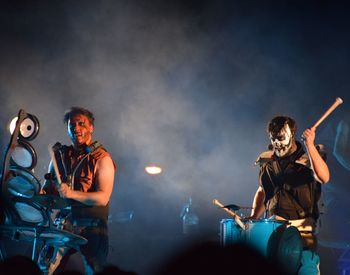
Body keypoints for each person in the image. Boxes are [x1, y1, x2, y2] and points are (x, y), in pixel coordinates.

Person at [249, 116, 330, 275]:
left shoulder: (309, 159)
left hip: (301, 234)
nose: (276, 143)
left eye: (280, 137)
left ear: (292, 135)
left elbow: (324, 177)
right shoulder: (267, 161)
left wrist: (310, 145)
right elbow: (262, 190)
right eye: (273, 138)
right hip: (272, 233)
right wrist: (253, 216)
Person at [39, 107, 116, 274]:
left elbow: (103, 198)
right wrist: (41, 195)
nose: (76, 128)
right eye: (71, 125)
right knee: (44, 269)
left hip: (92, 228)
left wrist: (71, 193)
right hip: (62, 224)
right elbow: (46, 191)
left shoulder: (102, 159)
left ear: (91, 128)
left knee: (94, 271)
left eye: (81, 124)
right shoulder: (58, 156)